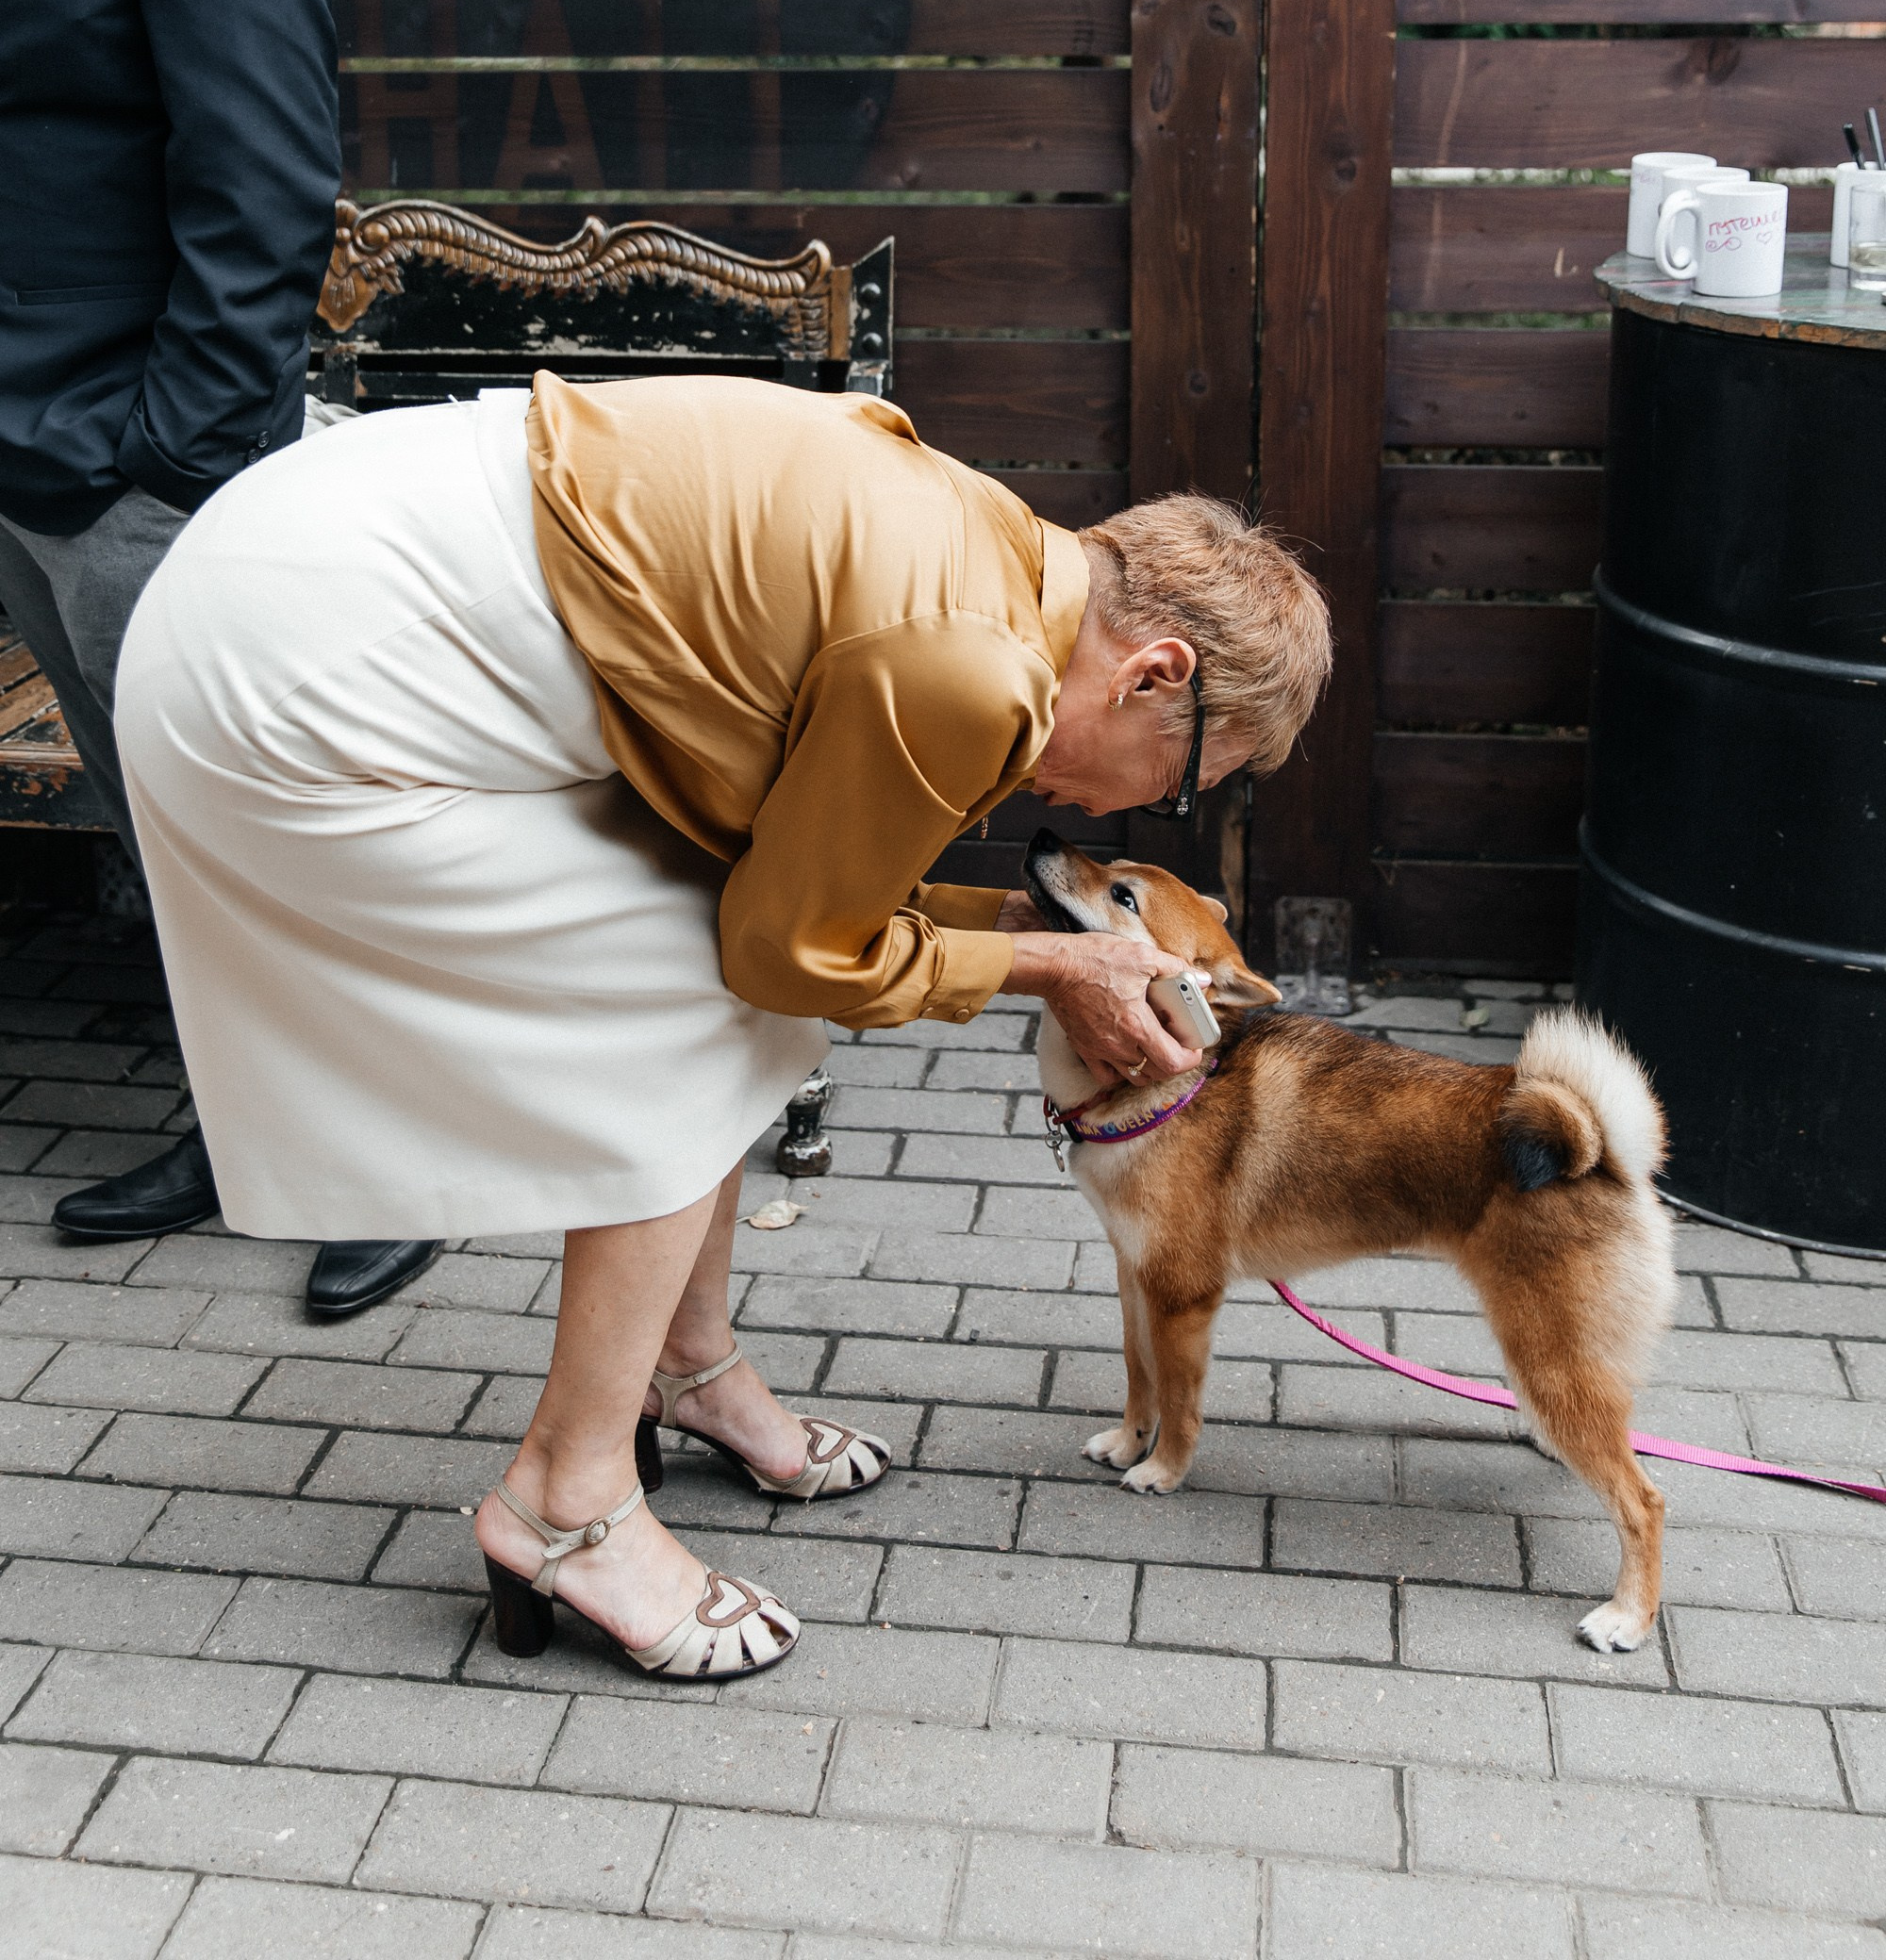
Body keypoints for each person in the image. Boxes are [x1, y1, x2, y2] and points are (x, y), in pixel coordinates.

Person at [115, 371, 1332, 1678]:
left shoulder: (995, 551)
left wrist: (1043, 943)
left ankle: (687, 1366)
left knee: (712, 982)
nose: (1133, 812)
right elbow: (791, 951)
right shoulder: (971, 670)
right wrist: (1049, 966)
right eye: (1182, 782)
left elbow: (798, 887)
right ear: (1156, 672)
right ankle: (567, 1506)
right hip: (296, 672)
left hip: (297, 556)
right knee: (689, 1014)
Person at [0, 0, 438, 1320]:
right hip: (22, 451)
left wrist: (163, 455)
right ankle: (245, 1125)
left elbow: (259, 184)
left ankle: (397, 1158)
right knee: (163, 837)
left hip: (128, 464)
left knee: (268, 829)